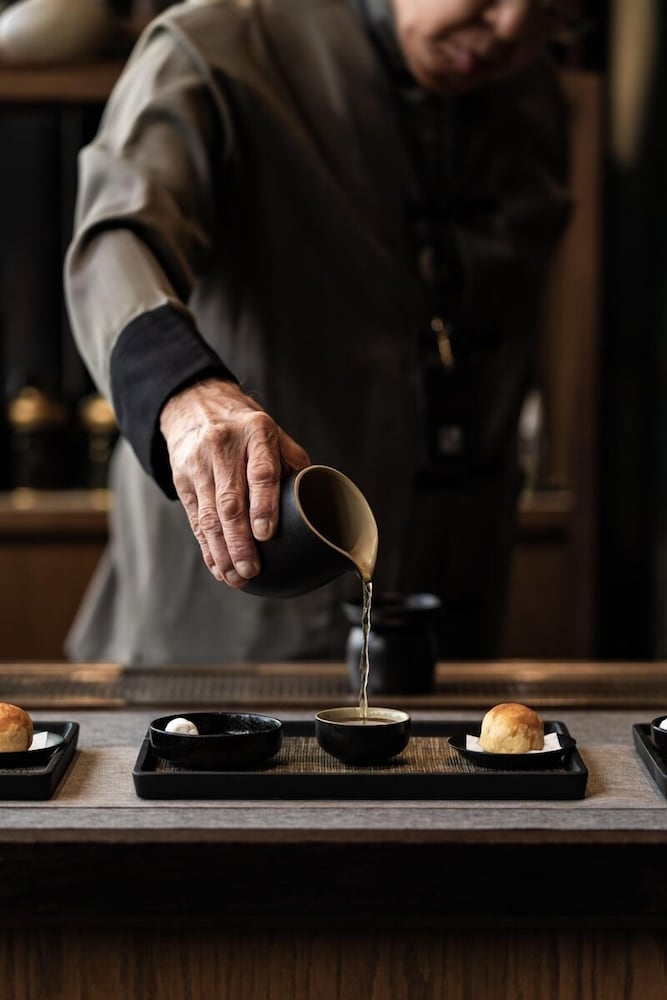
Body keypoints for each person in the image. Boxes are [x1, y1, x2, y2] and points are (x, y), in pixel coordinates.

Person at [64, 0, 572, 665]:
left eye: (551, 9)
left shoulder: (533, 99)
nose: (509, 29)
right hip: (226, 632)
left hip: (447, 622)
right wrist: (187, 395)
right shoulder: (224, 41)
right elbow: (116, 239)